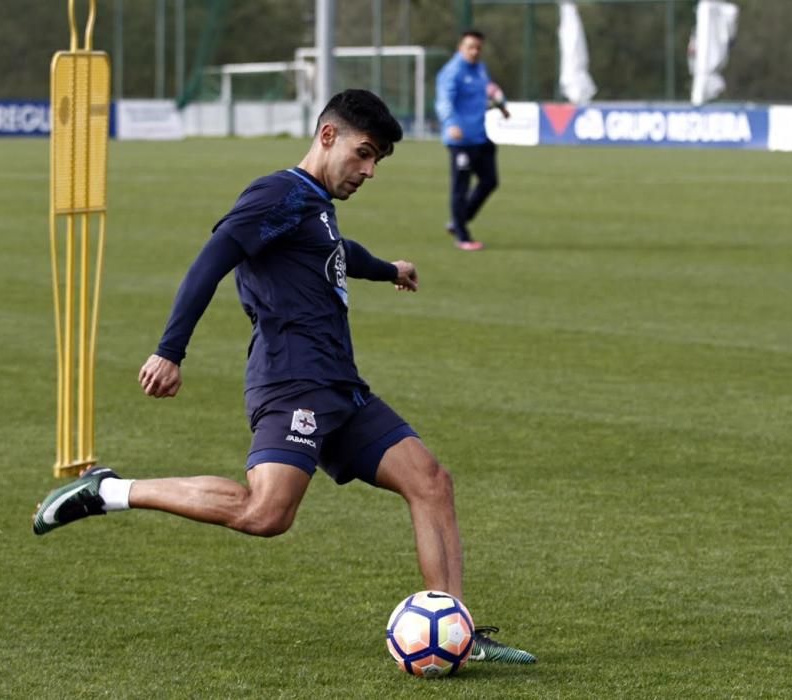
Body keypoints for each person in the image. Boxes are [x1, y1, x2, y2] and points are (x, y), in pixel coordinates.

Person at [32, 89, 535, 665]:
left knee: (431, 482)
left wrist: (388, 269)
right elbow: (214, 256)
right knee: (265, 513)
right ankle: (109, 490)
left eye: (378, 161)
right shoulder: (278, 192)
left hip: (341, 387)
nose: (369, 170)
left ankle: (458, 635)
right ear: (327, 136)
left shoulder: (313, 205)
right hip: (293, 383)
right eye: (364, 153)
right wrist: (170, 350)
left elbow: (332, 251)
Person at [435, 29, 510, 251]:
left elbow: (488, 91)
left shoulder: (480, 69)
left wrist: (502, 106)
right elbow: (443, 101)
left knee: (490, 180)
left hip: (479, 136)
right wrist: (451, 124)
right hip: (460, 140)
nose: (475, 51)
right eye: (470, 47)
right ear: (461, 47)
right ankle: (463, 237)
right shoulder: (452, 72)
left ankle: (458, 221)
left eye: (478, 47)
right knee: (461, 187)